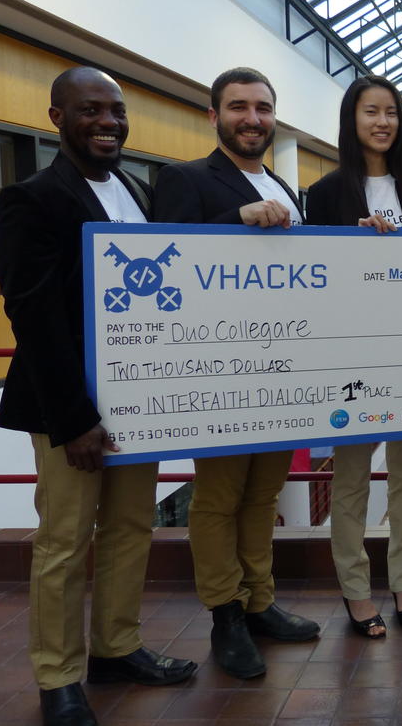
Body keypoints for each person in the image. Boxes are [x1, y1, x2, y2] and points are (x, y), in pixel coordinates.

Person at [0, 67, 196, 726]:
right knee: (63, 540)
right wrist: (75, 418)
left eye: (116, 109)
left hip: (138, 400)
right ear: (56, 116)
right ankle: (58, 676)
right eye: (90, 110)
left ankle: (116, 646)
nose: (107, 121)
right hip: (69, 408)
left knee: (131, 527)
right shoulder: (33, 196)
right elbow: (32, 312)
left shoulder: (135, 188)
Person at [152, 67, 320, 679]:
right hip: (221, 372)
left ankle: (260, 603)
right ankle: (225, 615)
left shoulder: (282, 183)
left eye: (264, 108)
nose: (253, 118)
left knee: (262, 495)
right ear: (214, 115)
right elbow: (164, 255)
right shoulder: (186, 178)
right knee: (219, 499)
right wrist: (235, 222)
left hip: (283, 367)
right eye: (239, 106)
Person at [305, 75, 402, 636]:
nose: (382, 122)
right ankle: (356, 590)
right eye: (370, 112)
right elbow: (315, 276)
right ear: (350, 121)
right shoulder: (328, 191)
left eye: (391, 112)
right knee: (352, 477)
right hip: (354, 356)